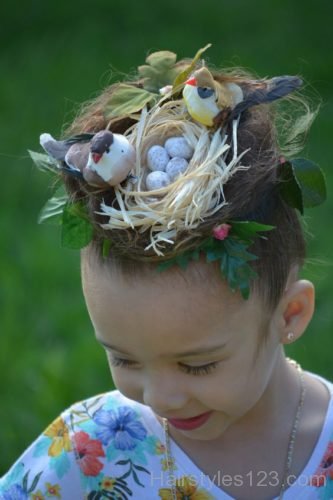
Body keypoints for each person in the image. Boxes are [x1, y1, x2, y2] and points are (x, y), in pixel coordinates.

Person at [1, 46, 332, 500]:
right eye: (124, 359)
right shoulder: (85, 452)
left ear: (290, 314)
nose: (159, 398)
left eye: (198, 366)